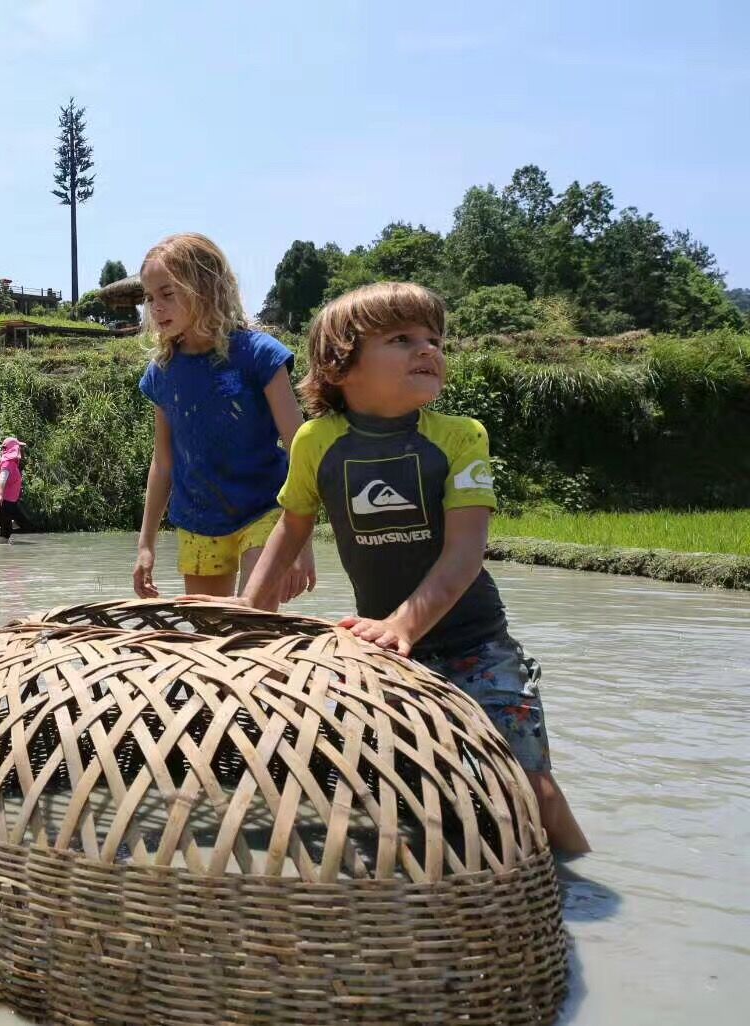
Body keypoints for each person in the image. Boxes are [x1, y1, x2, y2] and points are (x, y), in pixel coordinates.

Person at [239, 281, 590, 853]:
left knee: (530, 787)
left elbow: (465, 552)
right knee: (393, 789)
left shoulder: (458, 437)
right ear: (340, 365)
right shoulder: (316, 441)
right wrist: (249, 617)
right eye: (401, 339)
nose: (428, 350)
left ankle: (580, 885)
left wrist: (404, 624)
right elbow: (290, 527)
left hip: (476, 646)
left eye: (434, 339)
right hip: (389, 654)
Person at [133, 232, 315, 600]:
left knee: (252, 627)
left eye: (168, 294)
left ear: (206, 289)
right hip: (199, 520)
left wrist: (302, 540)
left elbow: (301, 449)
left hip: (266, 510)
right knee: (211, 638)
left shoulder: (260, 355)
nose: (156, 308)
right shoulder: (163, 372)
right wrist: (145, 544)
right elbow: (162, 464)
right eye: (150, 298)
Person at [0, 436, 30, 543]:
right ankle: (3, 536)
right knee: (6, 534)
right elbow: (2, 479)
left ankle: (5, 527)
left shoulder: (10, 462)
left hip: (10, 502)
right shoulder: (8, 463)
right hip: (4, 501)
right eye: (19, 447)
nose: (21, 450)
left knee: (24, 522)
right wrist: (0, 495)